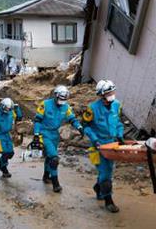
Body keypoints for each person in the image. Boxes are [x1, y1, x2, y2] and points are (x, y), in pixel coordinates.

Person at [82, 80, 124, 213]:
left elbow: (118, 122)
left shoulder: (117, 105)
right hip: (98, 146)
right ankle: (108, 201)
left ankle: (98, 188)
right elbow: (86, 126)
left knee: (109, 170)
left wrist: (120, 135)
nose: (112, 94)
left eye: (112, 92)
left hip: (112, 144)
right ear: (101, 95)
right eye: (108, 93)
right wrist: (95, 140)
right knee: (105, 173)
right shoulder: (92, 109)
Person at [33, 85, 83, 193]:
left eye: (64, 99)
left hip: (55, 135)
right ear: (55, 96)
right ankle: (55, 183)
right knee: (54, 159)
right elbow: (37, 120)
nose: (62, 101)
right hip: (44, 133)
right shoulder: (45, 105)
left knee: (49, 157)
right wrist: (36, 134)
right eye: (60, 99)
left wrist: (79, 127)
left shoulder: (66, 107)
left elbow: (72, 119)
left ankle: (46, 176)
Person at [0, 98, 22, 178]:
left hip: (7, 135)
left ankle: (0, 161)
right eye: (6, 108)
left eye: (9, 108)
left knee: (11, 153)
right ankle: (4, 169)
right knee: (5, 153)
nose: (8, 110)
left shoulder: (11, 113)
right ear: (2, 106)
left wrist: (17, 109)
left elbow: (19, 117)